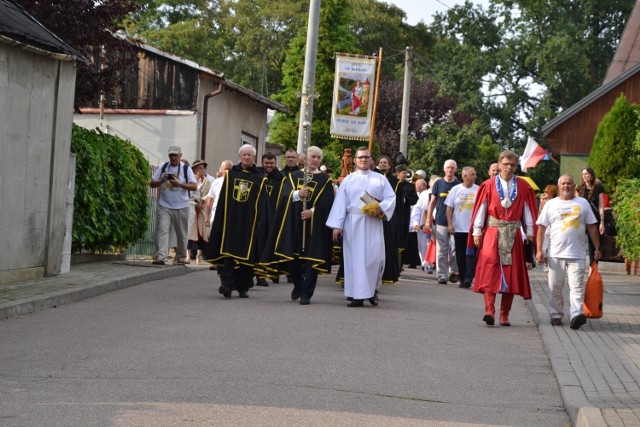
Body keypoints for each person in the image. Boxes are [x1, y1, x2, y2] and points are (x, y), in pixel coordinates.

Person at [467, 150, 537, 326]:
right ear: (499, 165)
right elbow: (482, 208)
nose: (509, 168)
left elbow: (528, 209)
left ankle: (504, 314)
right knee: (490, 270)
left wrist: (530, 231)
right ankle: (489, 310)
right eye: (505, 164)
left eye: (512, 165)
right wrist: (477, 230)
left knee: (511, 274)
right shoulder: (489, 185)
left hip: (513, 233)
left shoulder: (523, 186)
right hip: (493, 231)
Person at [260, 146, 335, 304]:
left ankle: (307, 293)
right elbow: (283, 196)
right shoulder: (293, 176)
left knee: (312, 259)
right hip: (294, 222)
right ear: (305, 159)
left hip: (315, 226)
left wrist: (313, 212)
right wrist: (297, 194)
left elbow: (328, 203)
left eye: (318, 158)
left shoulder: (325, 180)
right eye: (312, 157)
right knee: (292, 258)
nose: (315, 160)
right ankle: (298, 284)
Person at [326, 147, 396, 307]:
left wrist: (380, 208)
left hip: (373, 222)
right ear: (356, 160)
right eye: (360, 157)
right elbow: (340, 203)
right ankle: (356, 294)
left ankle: (372, 291)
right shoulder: (349, 180)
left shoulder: (380, 179)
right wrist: (337, 225)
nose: (363, 160)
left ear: (371, 159)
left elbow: (391, 198)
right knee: (355, 259)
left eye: (366, 157)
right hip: (353, 223)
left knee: (374, 259)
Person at [536, 174, 601, 330]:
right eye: (563, 183)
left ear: (574, 186)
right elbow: (542, 228)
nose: (566, 186)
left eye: (569, 183)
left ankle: (576, 315)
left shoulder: (583, 203)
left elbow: (592, 226)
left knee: (577, 286)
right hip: (555, 254)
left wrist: (597, 248)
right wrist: (539, 250)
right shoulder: (551, 204)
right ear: (559, 186)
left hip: (577, 254)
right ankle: (556, 314)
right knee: (555, 287)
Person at [205, 144, 270, 298]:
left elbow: (263, 203)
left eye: (249, 155)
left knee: (247, 258)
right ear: (240, 156)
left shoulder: (260, 178)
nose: (246, 157)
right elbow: (223, 200)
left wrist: (261, 223)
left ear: (254, 157)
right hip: (231, 221)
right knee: (228, 254)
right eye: (244, 155)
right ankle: (226, 285)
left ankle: (243, 286)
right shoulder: (232, 174)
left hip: (250, 223)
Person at [149, 146, 197, 265]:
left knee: (181, 233)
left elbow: (194, 186)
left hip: (182, 205)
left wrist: (179, 184)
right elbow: (152, 184)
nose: (173, 157)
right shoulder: (163, 167)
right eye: (171, 155)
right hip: (165, 204)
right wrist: (161, 180)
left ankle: (181, 257)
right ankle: (161, 257)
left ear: (180, 155)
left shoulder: (186, 169)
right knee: (162, 230)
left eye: (175, 155)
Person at [423, 159, 461, 285]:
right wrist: (428, 219)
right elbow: (432, 202)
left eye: (452, 168)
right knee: (441, 250)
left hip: (455, 223)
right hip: (440, 222)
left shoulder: (458, 185)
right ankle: (442, 275)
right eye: (448, 167)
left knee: (455, 248)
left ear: (455, 169)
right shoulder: (438, 183)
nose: (450, 170)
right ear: (444, 169)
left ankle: (454, 271)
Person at [445, 166, 478, 288]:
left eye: (474, 174)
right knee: (460, 254)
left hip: (473, 229)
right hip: (458, 228)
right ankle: (463, 278)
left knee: (471, 254)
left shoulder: (478, 189)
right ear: (465, 176)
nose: (475, 177)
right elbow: (449, 208)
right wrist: (450, 224)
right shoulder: (455, 189)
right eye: (472, 174)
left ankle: (469, 277)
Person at [255, 152, 285, 287]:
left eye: (271, 163)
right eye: (266, 163)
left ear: (275, 163)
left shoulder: (281, 178)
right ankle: (258, 275)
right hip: (258, 216)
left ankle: (272, 272)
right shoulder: (257, 175)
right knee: (257, 247)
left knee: (271, 247)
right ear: (262, 163)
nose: (269, 166)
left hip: (274, 217)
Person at [575, 167, 605, 264]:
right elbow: (575, 205)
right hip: (581, 220)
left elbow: (601, 206)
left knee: (594, 246)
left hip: (594, 220)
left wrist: (602, 222)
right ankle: (576, 263)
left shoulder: (599, 188)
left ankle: (593, 270)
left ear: (592, 175)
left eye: (587, 174)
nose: (584, 176)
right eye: (583, 174)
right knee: (578, 241)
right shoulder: (579, 188)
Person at [187, 160, 212, 265]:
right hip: (191, 208)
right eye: (199, 168)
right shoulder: (190, 180)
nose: (202, 170)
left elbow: (210, 194)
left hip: (202, 209)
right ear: (194, 169)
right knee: (189, 232)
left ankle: (198, 256)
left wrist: (202, 203)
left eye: (203, 168)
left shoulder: (207, 182)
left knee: (201, 234)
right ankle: (187, 256)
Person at [405, 178, 428, 268]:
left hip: (422, 224)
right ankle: (424, 262)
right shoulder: (421, 194)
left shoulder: (424, 195)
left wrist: (417, 224)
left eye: (416, 185)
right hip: (419, 224)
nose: (415, 186)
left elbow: (419, 210)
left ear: (422, 186)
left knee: (424, 245)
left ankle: (425, 262)